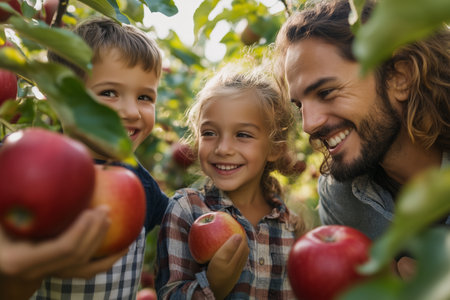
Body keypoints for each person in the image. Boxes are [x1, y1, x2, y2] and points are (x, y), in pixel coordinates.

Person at [274, 0, 450, 280]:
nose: (309, 124)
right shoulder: (341, 197)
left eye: (326, 92)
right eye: (299, 105)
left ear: (399, 78)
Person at [21, 17, 169, 299]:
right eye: (109, 93)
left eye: (145, 97)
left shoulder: (141, 186)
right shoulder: (36, 172)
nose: (131, 112)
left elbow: (183, 224)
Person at [155, 62, 306, 299]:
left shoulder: (291, 226)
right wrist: (213, 285)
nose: (223, 148)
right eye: (209, 133)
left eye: (243, 135)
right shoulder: (187, 210)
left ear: (275, 148)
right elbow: (169, 293)